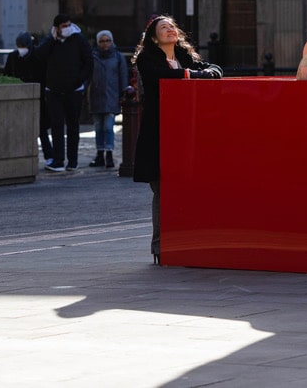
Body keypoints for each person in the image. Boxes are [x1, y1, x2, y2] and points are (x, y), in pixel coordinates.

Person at [132, 15, 222, 263]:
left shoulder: (185, 57)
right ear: (153, 37)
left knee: (187, 188)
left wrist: (201, 72)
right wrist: (192, 75)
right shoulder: (147, 58)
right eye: (164, 28)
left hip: (186, 133)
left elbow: (213, 70)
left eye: (172, 26)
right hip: (158, 133)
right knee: (162, 189)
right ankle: (160, 246)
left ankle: (189, 242)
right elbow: (162, 77)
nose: (170, 30)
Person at [33, 14, 92, 173]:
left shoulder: (78, 40)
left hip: (74, 90)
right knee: (57, 126)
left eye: (68, 25)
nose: (67, 28)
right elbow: (39, 56)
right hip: (54, 90)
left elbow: (88, 61)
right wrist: (52, 40)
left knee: (73, 125)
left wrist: (80, 80)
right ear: (57, 28)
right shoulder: (50, 41)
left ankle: (72, 161)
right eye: (63, 26)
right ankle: (58, 160)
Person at [5, 32, 50, 163]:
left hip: (37, 96)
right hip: (19, 96)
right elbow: (7, 74)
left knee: (41, 129)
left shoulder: (37, 56)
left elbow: (42, 75)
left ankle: (49, 155)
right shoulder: (13, 56)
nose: (21, 48)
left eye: (23, 45)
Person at [87, 29, 128, 169]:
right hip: (96, 96)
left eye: (108, 40)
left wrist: (124, 92)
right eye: (102, 41)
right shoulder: (93, 57)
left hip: (112, 95)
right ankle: (100, 153)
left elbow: (123, 76)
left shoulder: (117, 57)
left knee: (108, 127)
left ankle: (109, 153)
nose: (105, 44)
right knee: (98, 127)